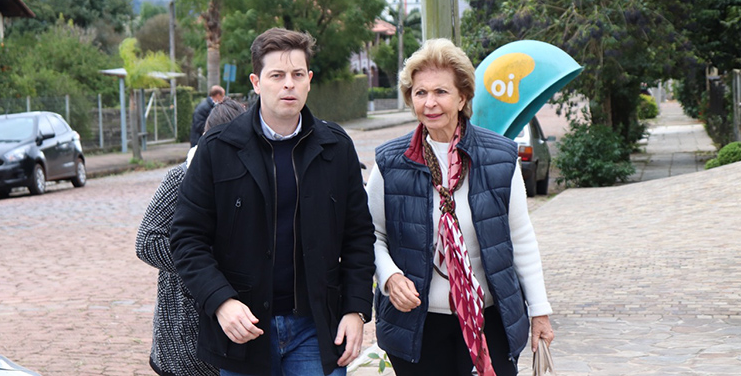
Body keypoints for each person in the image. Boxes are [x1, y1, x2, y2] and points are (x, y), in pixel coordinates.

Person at [170, 27, 375, 376]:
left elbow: (358, 236)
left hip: (316, 327)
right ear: (256, 82)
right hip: (244, 328)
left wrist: (355, 310)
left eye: (297, 75)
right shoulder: (218, 149)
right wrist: (221, 301)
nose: (288, 85)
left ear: (309, 80)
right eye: (277, 75)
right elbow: (187, 238)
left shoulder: (336, 147)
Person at [367, 39, 555, 376]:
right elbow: (371, 235)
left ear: (462, 97)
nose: (430, 102)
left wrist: (539, 310)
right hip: (417, 325)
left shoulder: (500, 157)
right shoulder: (390, 162)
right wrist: (389, 276)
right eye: (420, 93)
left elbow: (520, 238)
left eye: (441, 91)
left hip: (489, 320)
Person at [136, 97, 247, 376]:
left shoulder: (250, 178)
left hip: (235, 323)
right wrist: (201, 265)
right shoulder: (181, 178)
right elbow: (147, 240)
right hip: (183, 326)